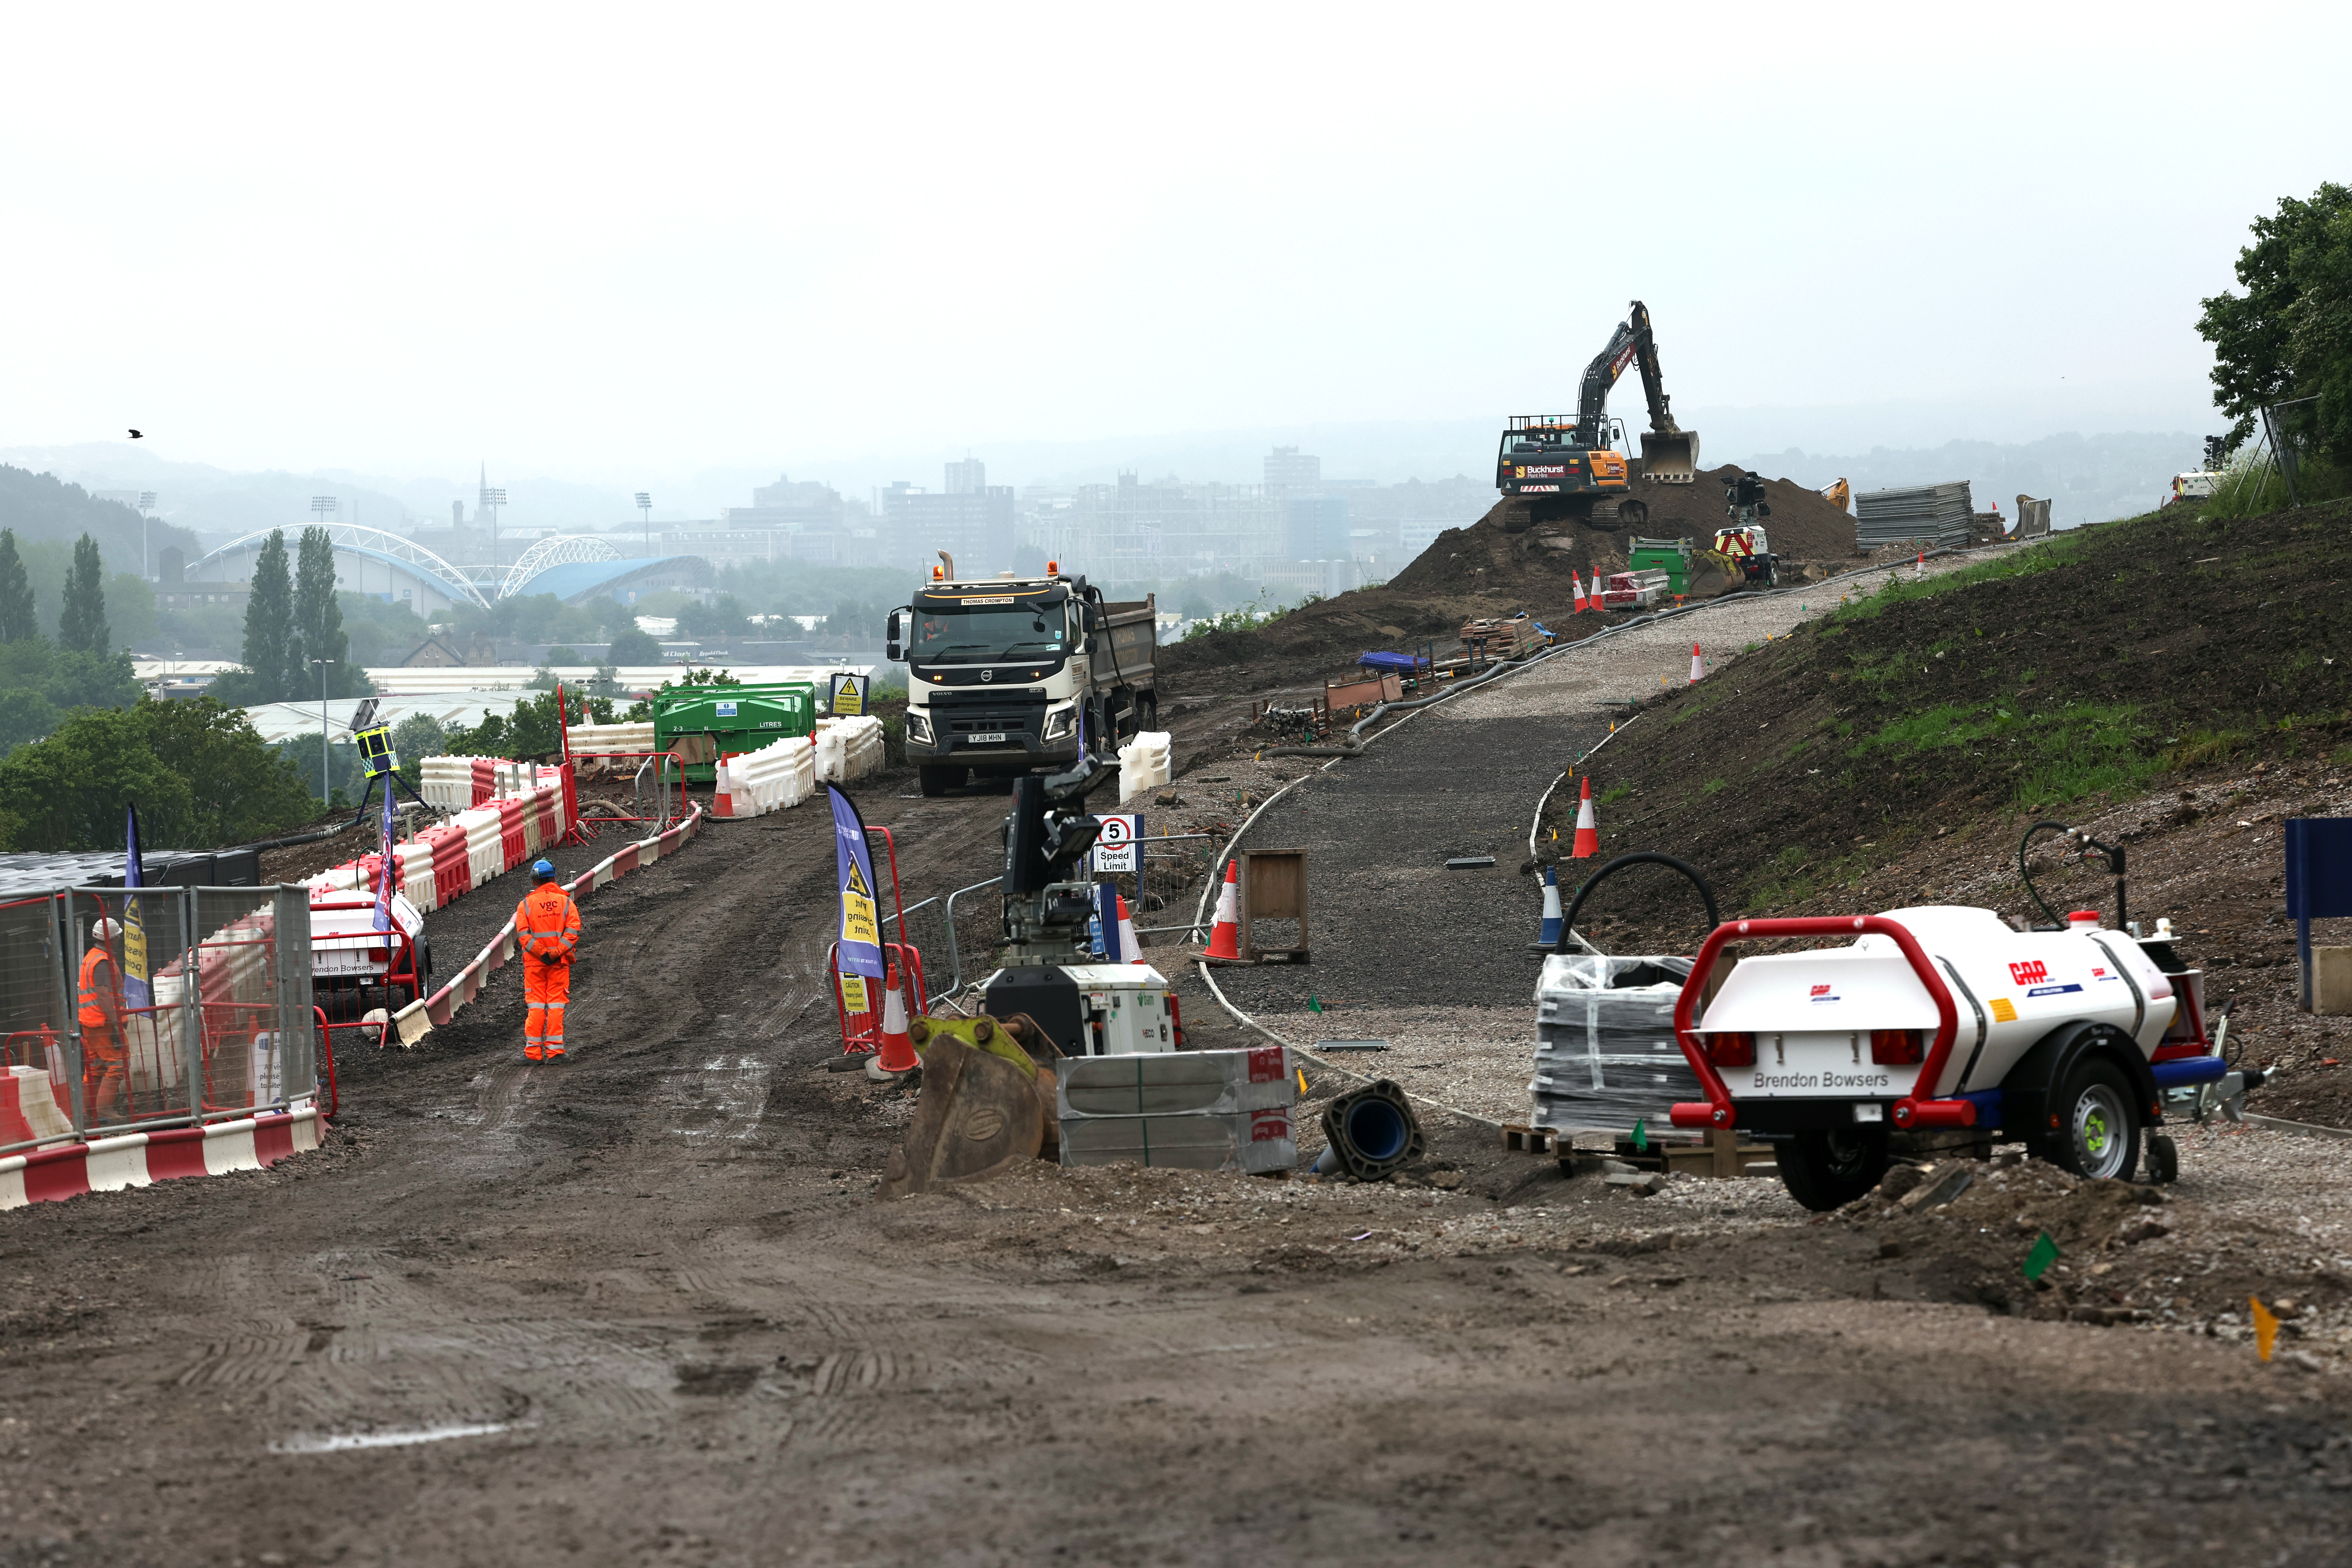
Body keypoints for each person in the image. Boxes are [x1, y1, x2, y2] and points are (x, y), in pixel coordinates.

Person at [514, 859, 582, 1062]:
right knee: (556, 1006)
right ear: (554, 878)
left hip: (535, 964)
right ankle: (555, 1052)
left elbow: (524, 935)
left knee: (536, 1006)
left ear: (535, 881)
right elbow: (573, 931)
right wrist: (555, 953)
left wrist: (542, 954)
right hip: (559, 963)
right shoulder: (566, 902)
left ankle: (533, 1053)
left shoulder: (525, 905)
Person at [77, 916, 128, 1121]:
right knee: (119, 1063)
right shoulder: (103, 962)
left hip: (90, 1023)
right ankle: (105, 1110)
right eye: (117, 938)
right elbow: (103, 995)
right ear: (112, 940)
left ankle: (87, 1113)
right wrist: (116, 1023)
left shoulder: (91, 956)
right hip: (103, 1023)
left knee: (96, 1067)